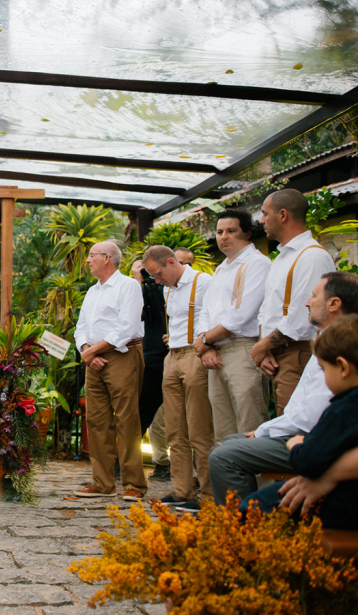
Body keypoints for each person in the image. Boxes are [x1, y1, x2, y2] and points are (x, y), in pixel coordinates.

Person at [209, 272, 358, 504]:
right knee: (227, 442)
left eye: (314, 296)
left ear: (334, 304)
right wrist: (267, 430)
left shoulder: (341, 346)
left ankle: (243, 522)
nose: (307, 302)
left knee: (224, 456)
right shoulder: (327, 339)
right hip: (307, 438)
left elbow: (310, 419)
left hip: (313, 442)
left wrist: (267, 432)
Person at [243, 314, 358, 529]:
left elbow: (309, 460)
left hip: (343, 501)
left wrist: (296, 444)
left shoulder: (342, 410)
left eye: (324, 369)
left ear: (343, 368)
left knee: (253, 507)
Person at [73, 241, 147, 501]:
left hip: (122, 356)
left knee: (127, 420)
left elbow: (127, 328)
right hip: (93, 360)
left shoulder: (128, 286)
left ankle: (134, 484)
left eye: (92, 256)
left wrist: (92, 351)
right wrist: (87, 350)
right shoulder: (93, 291)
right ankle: (102, 483)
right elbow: (81, 327)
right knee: (96, 421)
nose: (88, 260)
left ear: (106, 258)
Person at [143, 245, 214, 512]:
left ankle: (207, 492)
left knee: (199, 428)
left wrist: (205, 344)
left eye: (157, 274)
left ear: (171, 262)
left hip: (195, 355)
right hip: (171, 356)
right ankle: (182, 490)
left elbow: (211, 317)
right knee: (175, 429)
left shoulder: (203, 282)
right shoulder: (167, 289)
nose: (156, 280)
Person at [252, 189, 335, 414]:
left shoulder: (312, 256)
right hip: (279, 352)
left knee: (296, 422)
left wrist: (262, 347)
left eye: (265, 213)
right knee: (285, 418)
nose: (261, 220)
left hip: (298, 353)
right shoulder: (282, 257)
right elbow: (268, 308)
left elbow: (303, 317)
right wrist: (265, 348)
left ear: (283, 215)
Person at [193, 209, 271, 441]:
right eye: (219, 232)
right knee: (223, 428)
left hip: (243, 349)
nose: (224, 237)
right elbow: (205, 311)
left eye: (231, 231)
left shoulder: (258, 263)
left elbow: (242, 314)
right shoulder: (221, 268)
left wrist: (205, 340)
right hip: (216, 351)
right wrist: (206, 346)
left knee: (249, 422)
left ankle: (256, 468)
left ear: (247, 233)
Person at [131, 259, 169, 480]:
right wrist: (139, 281)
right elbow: (135, 315)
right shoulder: (145, 290)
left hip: (179, 356)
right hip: (152, 360)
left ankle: (170, 466)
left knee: (180, 420)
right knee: (142, 415)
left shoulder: (185, 291)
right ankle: (125, 463)